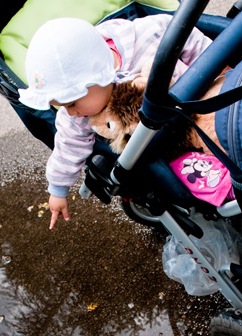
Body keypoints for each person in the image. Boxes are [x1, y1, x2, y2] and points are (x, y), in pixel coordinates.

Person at [19, 15, 212, 230]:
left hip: (200, 99)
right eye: (62, 106)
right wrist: (57, 189)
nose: (70, 112)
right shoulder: (76, 115)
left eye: (72, 103)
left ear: (98, 78)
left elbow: (184, 35)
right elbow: (67, 146)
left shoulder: (146, 39)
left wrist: (213, 67)